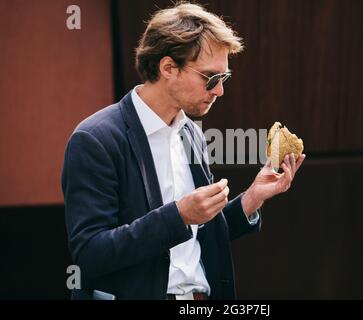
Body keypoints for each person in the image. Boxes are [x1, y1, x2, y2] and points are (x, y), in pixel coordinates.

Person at [62, 2, 306, 300]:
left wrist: (252, 198)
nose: (220, 91)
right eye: (211, 77)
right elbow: (90, 253)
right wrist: (177, 216)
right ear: (168, 68)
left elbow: (200, 235)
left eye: (224, 78)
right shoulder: (95, 139)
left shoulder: (191, 133)